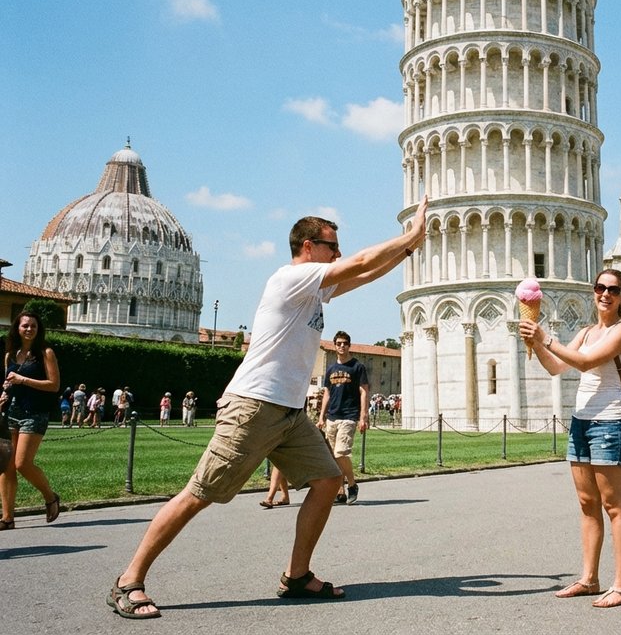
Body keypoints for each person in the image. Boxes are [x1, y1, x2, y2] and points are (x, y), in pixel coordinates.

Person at [106, 196, 429, 619]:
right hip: (254, 405)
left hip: (290, 412)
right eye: (333, 246)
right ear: (309, 247)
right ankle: (128, 580)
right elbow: (364, 260)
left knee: (329, 481)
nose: (339, 253)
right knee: (199, 494)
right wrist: (410, 234)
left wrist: (409, 248)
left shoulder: (314, 290)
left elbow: (367, 272)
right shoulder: (290, 278)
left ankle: (296, 576)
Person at [519, 268, 621, 608]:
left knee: (615, 506)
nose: (605, 294)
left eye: (613, 289)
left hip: (610, 423)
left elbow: (585, 363)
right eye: (600, 287)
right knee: (587, 507)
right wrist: (535, 344)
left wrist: (545, 337)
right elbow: (558, 367)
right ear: (593, 291)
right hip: (581, 423)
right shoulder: (586, 332)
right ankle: (590, 579)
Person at [0, 311, 63, 530]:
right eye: (25, 325)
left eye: (33, 326)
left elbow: (53, 385)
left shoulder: (46, 353)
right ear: (17, 328)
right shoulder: (10, 354)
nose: (29, 329)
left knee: (22, 463)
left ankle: (50, 496)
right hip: (11, 412)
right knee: (6, 466)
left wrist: (23, 379)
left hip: (34, 413)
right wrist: (4, 393)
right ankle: (7, 518)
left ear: (39, 329)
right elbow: (8, 383)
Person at [317, 331, 370, 505]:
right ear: (334, 345)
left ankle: (352, 485)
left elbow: (363, 391)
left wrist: (363, 416)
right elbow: (327, 393)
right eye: (339, 343)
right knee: (332, 457)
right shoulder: (331, 369)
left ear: (349, 345)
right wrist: (321, 416)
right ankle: (340, 492)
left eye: (345, 343)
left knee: (341, 452)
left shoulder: (357, 367)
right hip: (332, 416)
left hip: (349, 415)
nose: (342, 346)